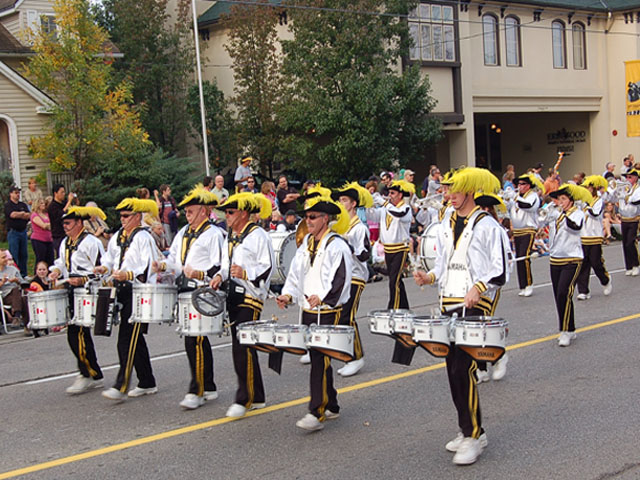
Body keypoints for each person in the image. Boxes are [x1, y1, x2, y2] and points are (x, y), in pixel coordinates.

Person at [413, 167, 508, 466]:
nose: (448, 195)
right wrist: (429, 277)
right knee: (452, 369)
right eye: (446, 190)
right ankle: (471, 430)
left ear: (469, 191)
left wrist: (479, 287)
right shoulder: (445, 223)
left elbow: (501, 269)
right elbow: (444, 263)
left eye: (454, 190)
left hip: (475, 303)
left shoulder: (488, 225)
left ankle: (472, 435)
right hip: (449, 300)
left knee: (463, 368)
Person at [276, 195, 352, 431]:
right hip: (308, 309)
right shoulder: (306, 244)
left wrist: (324, 298)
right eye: (306, 217)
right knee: (319, 358)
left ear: (325, 219)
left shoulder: (337, 245)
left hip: (329, 310)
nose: (307, 221)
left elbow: (341, 279)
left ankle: (315, 411)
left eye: (312, 217)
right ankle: (332, 404)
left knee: (319, 359)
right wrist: (288, 295)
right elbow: (295, 274)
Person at [153, 186, 224, 410]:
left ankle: (197, 390)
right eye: (186, 212)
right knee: (192, 339)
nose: (187, 215)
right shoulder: (183, 232)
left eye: (191, 211)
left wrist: (200, 274)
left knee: (197, 339)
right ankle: (208, 386)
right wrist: (162, 265)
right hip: (185, 291)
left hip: (202, 291)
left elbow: (220, 267)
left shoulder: (213, 234)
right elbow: (175, 260)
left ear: (204, 211)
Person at [209, 192, 274, 418]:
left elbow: (267, 267)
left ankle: (243, 398)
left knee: (241, 346)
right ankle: (257, 396)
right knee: (243, 345)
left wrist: (246, 273)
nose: (226, 216)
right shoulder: (230, 236)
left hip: (251, 295)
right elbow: (225, 265)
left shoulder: (258, 235)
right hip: (233, 295)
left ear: (244, 213)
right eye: (225, 212)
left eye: (230, 212)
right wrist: (220, 276)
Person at [97, 198, 162, 402]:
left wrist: (129, 275)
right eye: (121, 216)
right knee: (135, 339)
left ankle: (121, 385)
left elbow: (147, 266)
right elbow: (109, 259)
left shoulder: (144, 237)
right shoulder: (118, 236)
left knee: (126, 340)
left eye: (126, 216)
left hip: (138, 292)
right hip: (122, 291)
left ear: (137, 216)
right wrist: (104, 268)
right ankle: (147, 381)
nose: (122, 219)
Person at [49, 206, 106, 394]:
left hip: (87, 291)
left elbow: (102, 269)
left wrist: (83, 279)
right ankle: (92, 372)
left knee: (77, 333)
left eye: (68, 223)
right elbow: (62, 263)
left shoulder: (91, 242)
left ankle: (87, 373)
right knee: (77, 333)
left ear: (79, 223)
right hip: (71, 290)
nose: (65, 227)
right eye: (63, 223)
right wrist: (56, 271)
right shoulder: (65, 242)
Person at [366, 179, 414, 365]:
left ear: (400, 195)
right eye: (389, 193)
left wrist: (384, 203)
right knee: (397, 281)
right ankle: (404, 306)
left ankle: (393, 307)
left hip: (400, 247)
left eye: (393, 193)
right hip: (388, 248)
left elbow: (398, 214)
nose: (390, 196)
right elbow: (372, 216)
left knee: (394, 279)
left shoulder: (405, 208)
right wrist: (369, 202)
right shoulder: (387, 208)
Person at [333, 182, 373, 377]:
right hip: (343, 277)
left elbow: (365, 255)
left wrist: (347, 244)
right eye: (340, 200)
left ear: (353, 204)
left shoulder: (360, 228)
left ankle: (356, 357)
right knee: (340, 317)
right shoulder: (341, 226)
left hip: (356, 276)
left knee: (347, 316)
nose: (341, 203)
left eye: (344, 200)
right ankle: (348, 356)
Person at [545, 184, 589, 347]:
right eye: (559, 199)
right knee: (559, 295)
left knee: (564, 292)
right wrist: (548, 211)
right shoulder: (555, 213)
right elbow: (540, 221)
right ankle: (570, 328)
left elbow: (574, 228)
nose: (561, 202)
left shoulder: (577, 214)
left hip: (572, 259)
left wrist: (561, 214)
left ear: (571, 200)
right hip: (555, 258)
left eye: (564, 199)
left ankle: (564, 331)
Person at [507, 173, 544, 297]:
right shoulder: (517, 196)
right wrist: (506, 199)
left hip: (528, 230)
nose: (520, 186)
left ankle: (529, 284)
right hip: (517, 231)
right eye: (519, 184)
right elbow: (508, 208)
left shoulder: (533, 196)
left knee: (525, 257)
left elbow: (528, 206)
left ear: (528, 186)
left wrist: (515, 197)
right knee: (519, 258)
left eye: (523, 184)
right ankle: (522, 286)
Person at [576, 176, 612, 300]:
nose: (586, 189)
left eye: (588, 187)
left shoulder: (598, 201)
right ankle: (583, 290)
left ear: (594, 188)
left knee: (596, 263)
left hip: (595, 236)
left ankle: (605, 280)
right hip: (583, 236)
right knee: (583, 264)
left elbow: (595, 214)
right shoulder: (580, 201)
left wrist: (586, 205)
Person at [617, 169, 640, 275]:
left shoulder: (638, 189)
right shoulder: (624, 188)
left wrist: (626, 197)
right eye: (626, 177)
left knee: (631, 242)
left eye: (630, 177)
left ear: (636, 178)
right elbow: (615, 199)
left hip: (634, 219)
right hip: (624, 219)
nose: (627, 179)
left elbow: (636, 201)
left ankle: (635, 264)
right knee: (625, 243)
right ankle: (629, 266)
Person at [4, 186, 30, 277]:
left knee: (24, 254)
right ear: (10, 194)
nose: (18, 195)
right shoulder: (8, 205)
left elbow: (28, 215)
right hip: (13, 232)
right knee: (14, 254)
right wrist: (22, 214)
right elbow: (12, 215)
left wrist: (20, 215)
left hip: (23, 232)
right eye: (15, 193)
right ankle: (13, 274)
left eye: (18, 193)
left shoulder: (23, 205)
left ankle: (24, 274)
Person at [48, 184, 74, 257]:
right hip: (58, 235)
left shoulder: (64, 203)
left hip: (67, 233)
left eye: (64, 192)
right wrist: (69, 202)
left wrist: (73, 201)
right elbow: (61, 215)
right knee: (61, 255)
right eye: (61, 192)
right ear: (55, 193)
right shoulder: (52, 206)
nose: (64, 194)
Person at [30, 197, 55, 270]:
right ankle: (38, 274)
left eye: (44, 203)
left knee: (50, 259)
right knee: (41, 259)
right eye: (41, 203)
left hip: (49, 239)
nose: (43, 204)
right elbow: (43, 225)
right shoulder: (34, 215)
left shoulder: (47, 214)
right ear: (37, 204)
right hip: (38, 240)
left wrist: (49, 225)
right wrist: (51, 225)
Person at [0, 250, 23, 327]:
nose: (6, 259)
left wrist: (17, 280)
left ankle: (17, 317)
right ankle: (18, 317)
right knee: (18, 292)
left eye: (6, 257)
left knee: (22, 295)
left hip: (17, 294)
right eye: (3, 257)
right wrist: (2, 282)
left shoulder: (13, 269)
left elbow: (23, 283)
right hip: (4, 295)